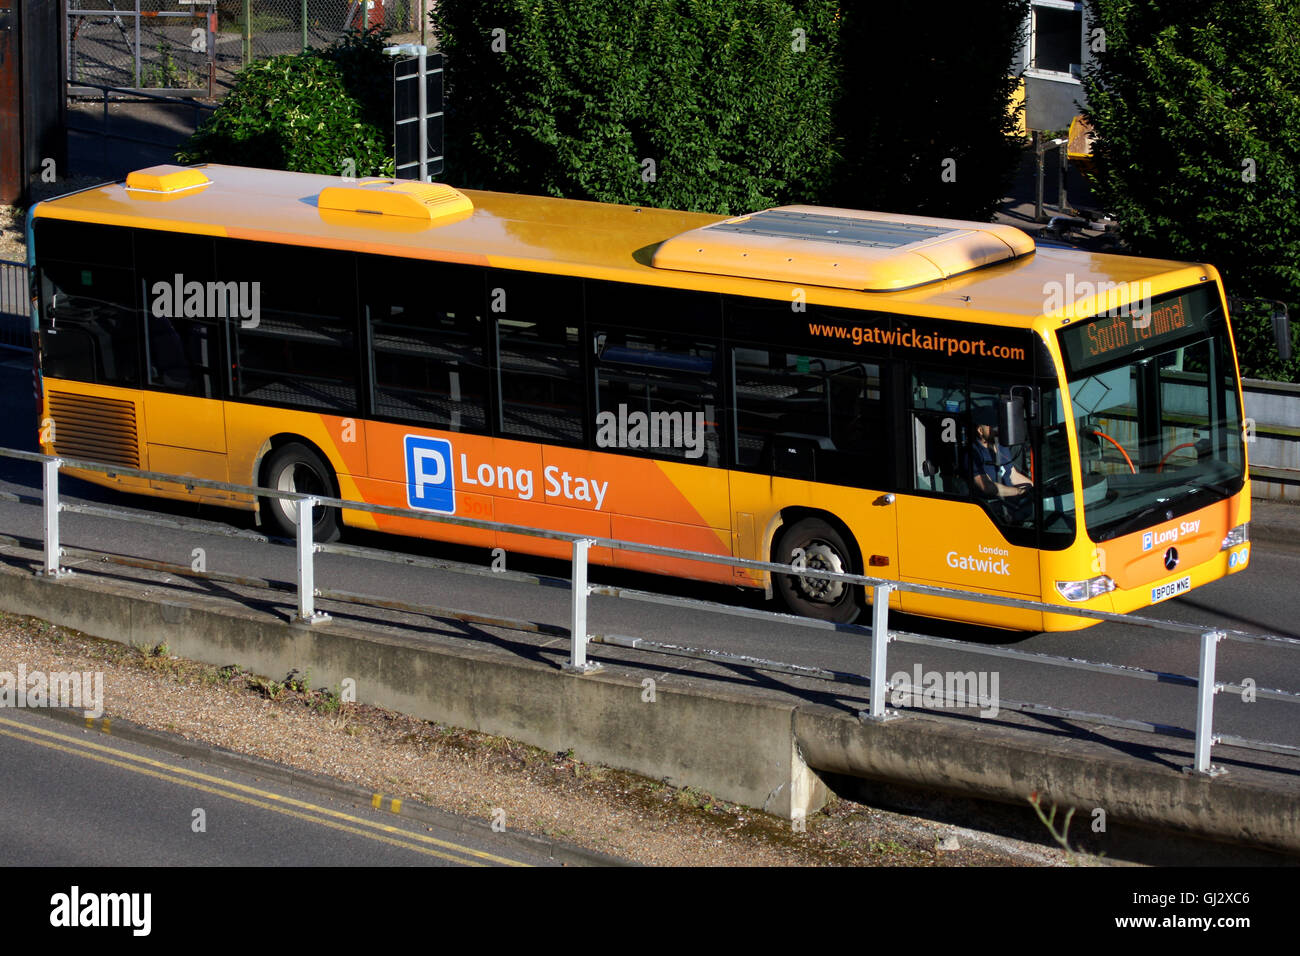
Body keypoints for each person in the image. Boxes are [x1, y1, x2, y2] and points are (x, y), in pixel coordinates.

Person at [964, 405, 1032, 501]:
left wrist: (1034, 488)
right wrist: (1018, 491)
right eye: (993, 427)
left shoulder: (1001, 445)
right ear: (980, 430)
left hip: (1012, 501)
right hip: (993, 506)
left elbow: (1013, 475)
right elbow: (986, 486)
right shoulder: (973, 455)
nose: (997, 430)